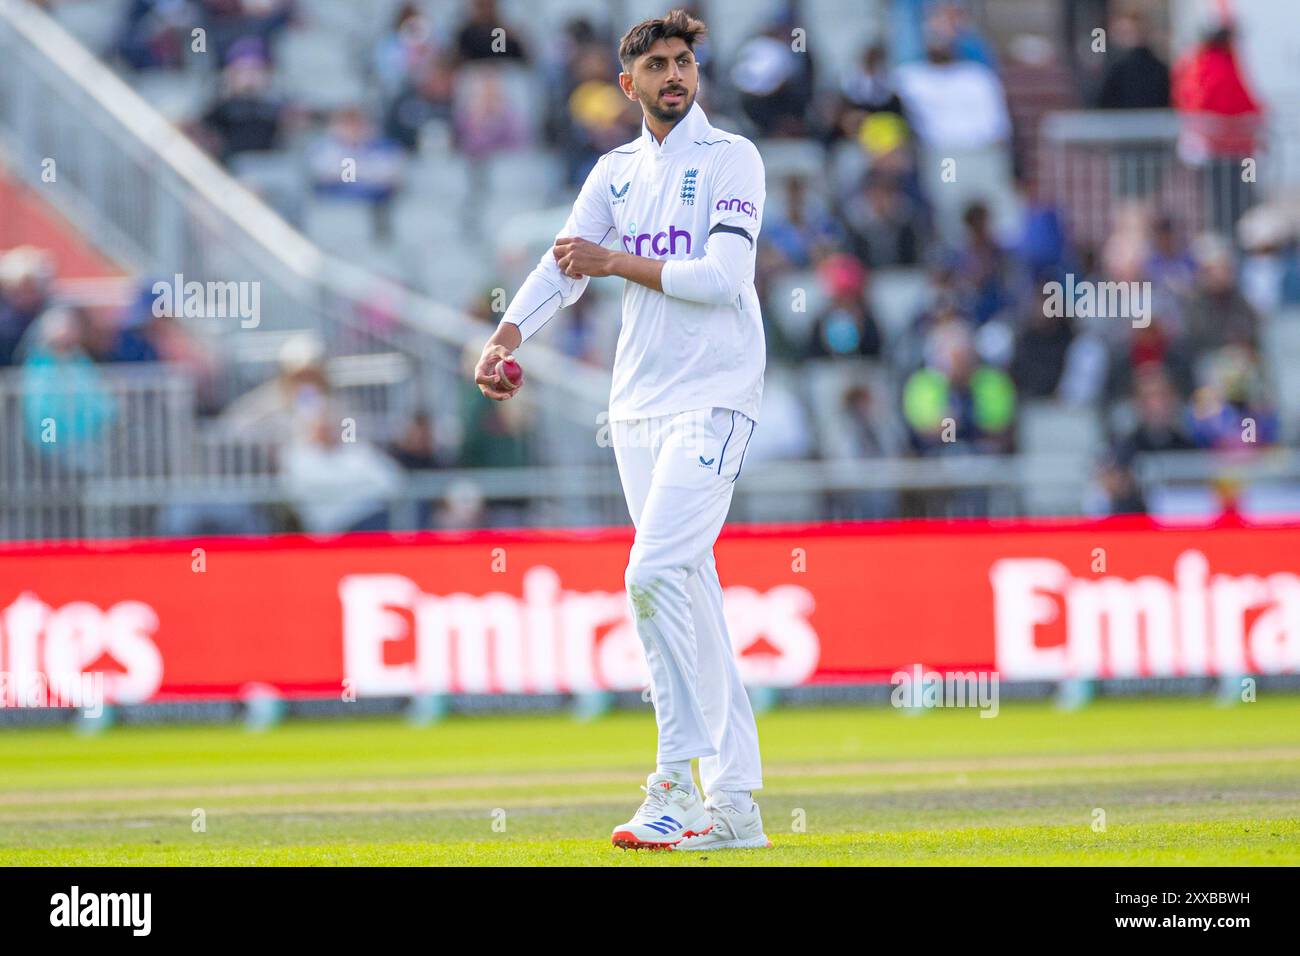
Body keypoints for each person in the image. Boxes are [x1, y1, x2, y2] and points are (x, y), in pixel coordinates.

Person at [471, 10, 770, 852]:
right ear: (628, 82)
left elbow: (722, 276)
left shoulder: (731, 158)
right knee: (692, 598)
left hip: (716, 397)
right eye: (659, 66)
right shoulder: (615, 170)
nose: (675, 76)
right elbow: (562, 263)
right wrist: (505, 336)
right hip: (637, 405)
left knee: (649, 572)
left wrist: (614, 264)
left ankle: (675, 779)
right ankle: (738, 805)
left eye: (685, 63)